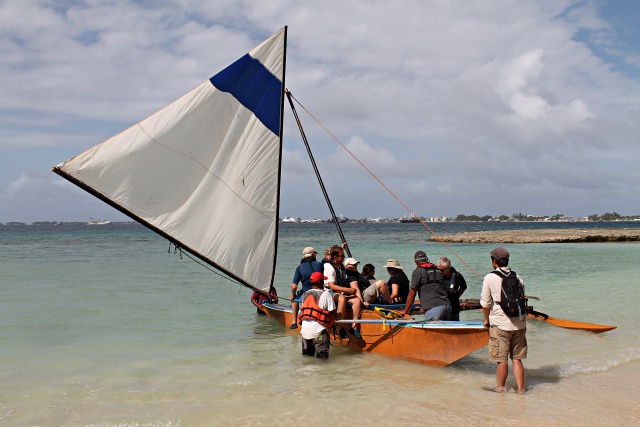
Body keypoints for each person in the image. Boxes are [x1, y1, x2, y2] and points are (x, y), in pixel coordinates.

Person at [480, 247, 527, 394]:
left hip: (500, 324)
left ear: (494, 261)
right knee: (517, 359)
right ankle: (521, 390)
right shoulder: (518, 277)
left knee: (502, 360)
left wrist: (486, 320)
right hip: (519, 323)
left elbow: (486, 303)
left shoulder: (489, 277)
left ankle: (500, 389)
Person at [398, 250, 451, 320]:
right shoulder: (437, 270)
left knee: (430, 330)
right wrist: (424, 305)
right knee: (444, 330)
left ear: (416, 262)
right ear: (426, 259)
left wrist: (405, 310)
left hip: (434, 308)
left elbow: (412, 293)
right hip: (447, 306)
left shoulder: (418, 271)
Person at [323, 245, 362, 339]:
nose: (344, 257)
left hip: (340, 292)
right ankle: (342, 327)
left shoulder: (341, 266)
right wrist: (348, 290)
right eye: (342, 256)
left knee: (357, 300)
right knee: (342, 298)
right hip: (330, 292)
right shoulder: (329, 267)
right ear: (335, 257)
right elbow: (332, 286)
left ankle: (354, 327)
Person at [299, 271, 336, 358]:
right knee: (322, 357)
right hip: (318, 334)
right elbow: (333, 311)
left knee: (307, 357)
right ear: (320, 282)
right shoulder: (326, 294)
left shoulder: (304, 295)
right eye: (323, 281)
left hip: (305, 333)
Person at [290, 247, 323, 329]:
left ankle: (294, 322)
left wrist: (293, 295)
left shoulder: (299, 267)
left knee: (294, 299)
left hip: (306, 293)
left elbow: (294, 286)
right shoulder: (320, 264)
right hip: (319, 292)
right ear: (312, 254)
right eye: (315, 253)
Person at [437, 256, 467, 321]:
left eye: (442, 270)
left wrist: (456, 296)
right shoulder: (437, 276)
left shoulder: (457, 276)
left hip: (454, 308)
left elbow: (463, 287)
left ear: (448, 268)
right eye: (438, 269)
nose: (440, 272)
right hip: (440, 307)